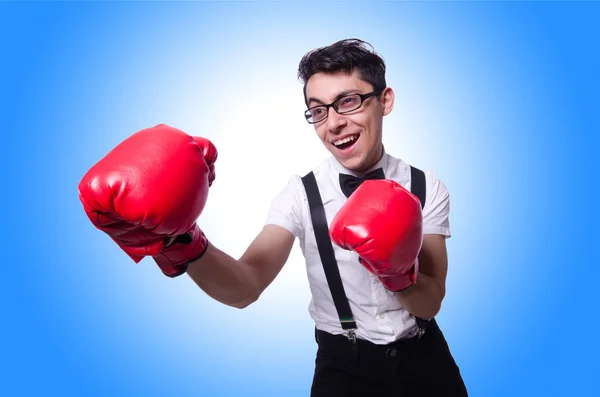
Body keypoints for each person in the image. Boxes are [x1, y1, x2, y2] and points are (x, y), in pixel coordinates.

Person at [78, 39, 468, 396]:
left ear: (385, 100)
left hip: (426, 360)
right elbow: (245, 286)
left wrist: (397, 274)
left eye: (348, 101)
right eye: (318, 110)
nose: (333, 123)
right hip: (345, 369)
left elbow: (431, 302)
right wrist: (181, 242)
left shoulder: (426, 186)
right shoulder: (301, 194)